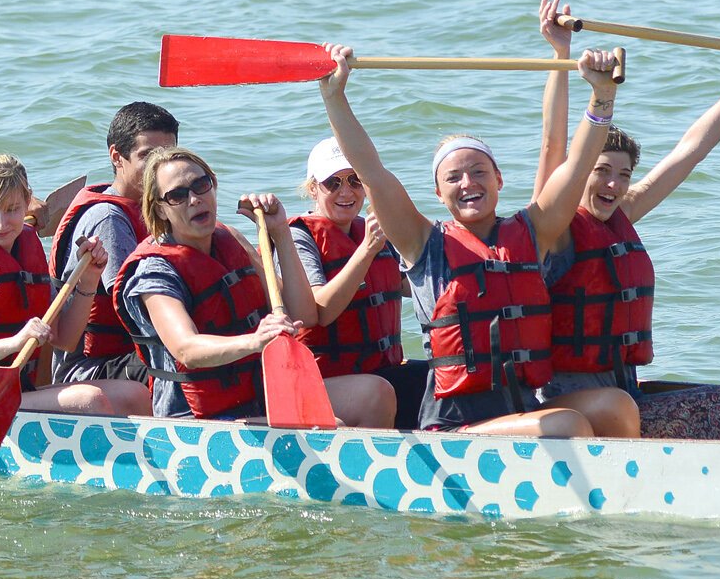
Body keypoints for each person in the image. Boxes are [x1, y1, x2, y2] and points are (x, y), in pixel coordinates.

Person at [318, 46, 625, 436]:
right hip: (456, 427)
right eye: (453, 178)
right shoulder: (421, 243)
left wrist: (602, 95)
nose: (468, 184)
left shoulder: (535, 231)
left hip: (522, 409)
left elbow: (578, 165)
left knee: (614, 405)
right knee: (566, 423)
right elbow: (371, 171)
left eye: (479, 171)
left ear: (499, 179)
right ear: (437, 194)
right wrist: (335, 96)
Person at [534, 0, 720, 439]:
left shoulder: (623, 212)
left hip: (620, 390)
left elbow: (691, 150)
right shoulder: (554, 224)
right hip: (562, 397)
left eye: (623, 176)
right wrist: (560, 54)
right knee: (620, 404)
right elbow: (552, 145)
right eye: (600, 171)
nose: (613, 185)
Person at [112, 147, 395, 427]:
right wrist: (255, 341)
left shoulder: (230, 239)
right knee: (329, 428)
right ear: (160, 209)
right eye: (177, 195)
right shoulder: (154, 271)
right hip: (195, 421)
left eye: (201, 185)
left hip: (259, 393)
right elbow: (186, 349)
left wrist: (280, 232)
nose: (195, 199)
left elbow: (304, 314)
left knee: (375, 394)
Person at [0, 155, 144, 415]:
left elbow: (66, 339)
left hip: (10, 392)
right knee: (89, 400)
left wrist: (88, 278)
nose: (2, 224)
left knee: (135, 394)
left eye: (12, 209)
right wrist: (16, 342)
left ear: (27, 203)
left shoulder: (27, 248)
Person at [288, 138, 426, 426]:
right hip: (322, 380)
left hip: (379, 369)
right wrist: (367, 250)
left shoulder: (370, 229)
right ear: (313, 188)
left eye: (354, 180)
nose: (346, 191)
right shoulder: (299, 237)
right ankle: (377, 468)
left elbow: (410, 284)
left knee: (439, 378)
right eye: (333, 183)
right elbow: (321, 311)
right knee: (378, 393)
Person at [50, 101, 176, 386]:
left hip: (128, 354)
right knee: (186, 364)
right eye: (149, 155)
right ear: (117, 157)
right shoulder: (108, 218)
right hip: (91, 367)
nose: (160, 167)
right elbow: (134, 306)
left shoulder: (156, 208)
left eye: (168, 155)